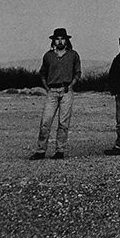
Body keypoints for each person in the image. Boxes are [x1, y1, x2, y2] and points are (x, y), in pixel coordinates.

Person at [30, 28, 82, 160]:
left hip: (66, 91)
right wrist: (47, 87)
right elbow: (42, 73)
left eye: (62, 38)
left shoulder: (73, 55)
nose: (60, 41)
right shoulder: (48, 56)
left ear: (67, 40)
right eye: (57, 38)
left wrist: (71, 85)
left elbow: (77, 72)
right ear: (54, 40)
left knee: (63, 123)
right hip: (52, 92)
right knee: (46, 121)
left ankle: (60, 151)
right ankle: (40, 151)